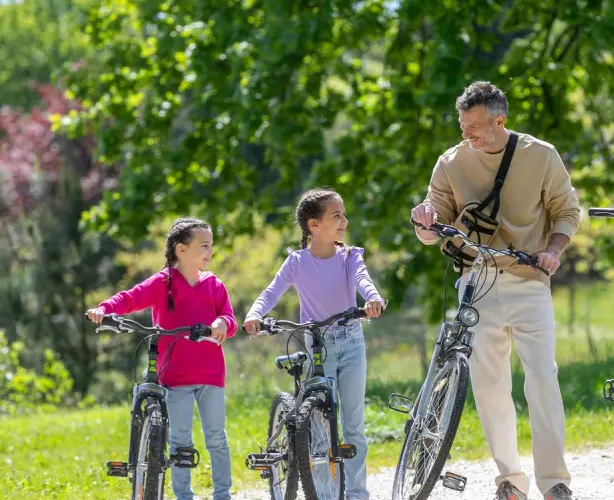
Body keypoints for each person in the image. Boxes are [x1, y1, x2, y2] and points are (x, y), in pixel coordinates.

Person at [410, 81, 581, 500]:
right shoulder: (450, 163)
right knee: (489, 388)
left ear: (499, 120)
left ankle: (554, 482)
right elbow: (432, 232)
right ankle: (510, 481)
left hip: (529, 280)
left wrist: (553, 252)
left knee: (542, 380)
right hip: (477, 281)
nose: (466, 135)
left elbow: (567, 211)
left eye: (475, 128)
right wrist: (423, 222)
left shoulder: (540, 155)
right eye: (463, 126)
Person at [243, 188, 385, 500]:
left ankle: (358, 494)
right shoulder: (296, 262)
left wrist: (372, 297)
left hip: (350, 343)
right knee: (320, 427)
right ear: (314, 225)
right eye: (337, 215)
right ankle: (325, 493)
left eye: (344, 214)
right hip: (316, 344)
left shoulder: (350, 257)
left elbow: (363, 279)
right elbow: (271, 291)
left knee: (353, 425)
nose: (344, 221)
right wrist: (255, 314)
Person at [87, 217, 237, 500]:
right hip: (175, 377)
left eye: (211, 246)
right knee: (180, 442)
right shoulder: (162, 282)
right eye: (204, 246)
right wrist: (104, 309)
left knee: (217, 438)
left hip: (210, 375)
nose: (210, 252)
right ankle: (184, 496)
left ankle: (222, 495)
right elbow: (130, 298)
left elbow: (229, 318)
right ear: (181, 250)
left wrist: (221, 324)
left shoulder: (215, 284)